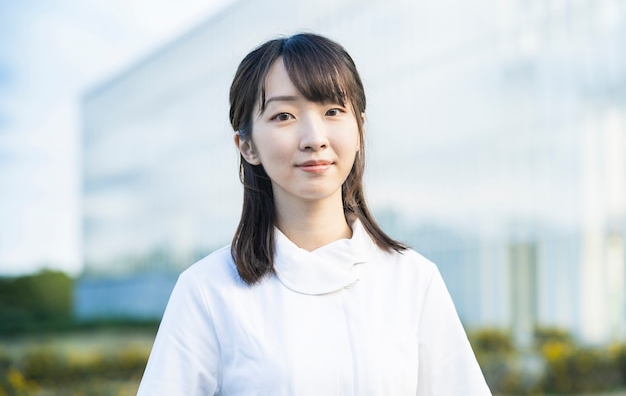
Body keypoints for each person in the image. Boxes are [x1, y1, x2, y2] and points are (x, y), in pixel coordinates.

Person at [136, 33, 492, 396]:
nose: (314, 137)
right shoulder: (207, 291)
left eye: (333, 111)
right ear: (246, 145)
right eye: (284, 115)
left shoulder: (414, 280)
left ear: (360, 129)